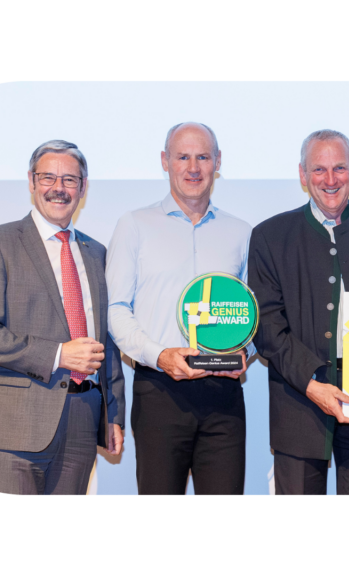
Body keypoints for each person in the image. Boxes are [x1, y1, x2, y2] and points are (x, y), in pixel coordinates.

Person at [249, 129, 349, 495]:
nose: (331, 179)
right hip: (298, 403)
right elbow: (268, 326)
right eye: (319, 170)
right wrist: (311, 383)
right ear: (303, 176)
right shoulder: (270, 236)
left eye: (340, 168)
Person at [0, 140, 124, 494]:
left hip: (82, 421)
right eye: (48, 178)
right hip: (13, 423)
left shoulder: (97, 253)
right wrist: (58, 355)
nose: (58, 189)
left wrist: (113, 414)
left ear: (83, 187)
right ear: (32, 182)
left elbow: (106, 341)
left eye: (69, 179)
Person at [107, 122, 252, 495]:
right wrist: (160, 356)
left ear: (218, 162)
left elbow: (256, 315)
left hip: (224, 397)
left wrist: (244, 354)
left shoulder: (240, 232)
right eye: (182, 157)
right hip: (160, 392)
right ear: (165, 162)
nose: (193, 167)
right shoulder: (135, 225)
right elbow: (117, 309)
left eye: (203, 157)